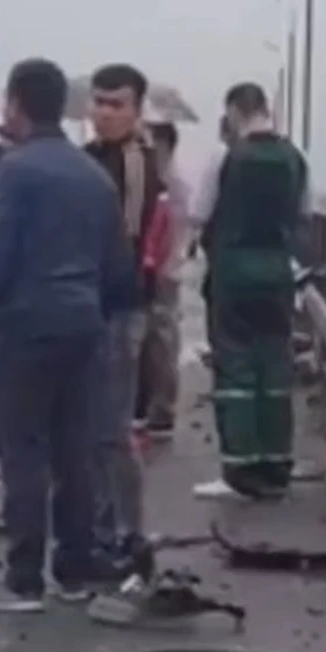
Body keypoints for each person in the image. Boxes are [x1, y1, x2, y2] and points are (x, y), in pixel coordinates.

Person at [0, 57, 136, 612]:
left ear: (15, 104)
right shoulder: (92, 176)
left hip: (23, 325)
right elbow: (118, 268)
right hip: (83, 325)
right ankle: (76, 564)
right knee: (74, 450)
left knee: (22, 452)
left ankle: (23, 578)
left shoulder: (13, 172)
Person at [191, 82, 308, 502]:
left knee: (236, 367)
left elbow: (199, 212)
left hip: (234, 272)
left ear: (235, 112)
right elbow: (302, 213)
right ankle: (277, 465)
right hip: (278, 272)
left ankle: (241, 471)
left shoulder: (226, 156)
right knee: (275, 366)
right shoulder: (294, 158)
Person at [84, 64, 164, 568]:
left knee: (112, 427)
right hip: (88, 304)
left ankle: (129, 532)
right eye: (99, 102)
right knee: (89, 425)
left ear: (136, 110)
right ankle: (99, 524)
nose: (105, 112)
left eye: (117, 104)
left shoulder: (137, 164)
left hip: (120, 305)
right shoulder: (91, 158)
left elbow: (130, 239)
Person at [134, 120, 190, 440]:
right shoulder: (160, 181)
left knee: (162, 339)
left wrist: (163, 263)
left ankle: (162, 408)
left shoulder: (172, 185)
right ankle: (151, 405)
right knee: (153, 339)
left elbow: (176, 232)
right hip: (158, 268)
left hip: (166, 270)